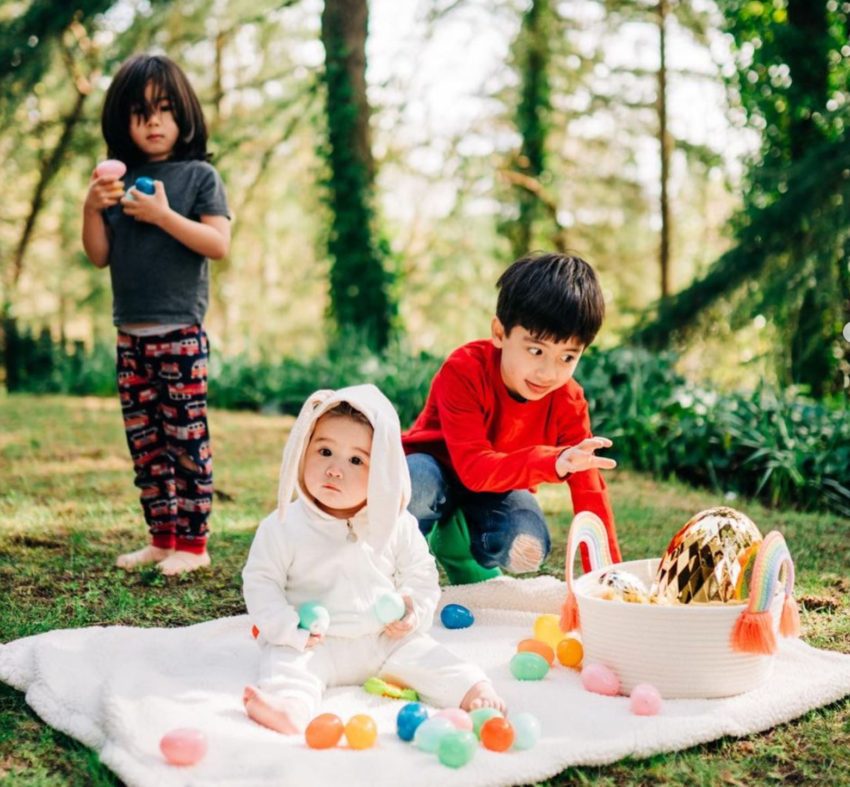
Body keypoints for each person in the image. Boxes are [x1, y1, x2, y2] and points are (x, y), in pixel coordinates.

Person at [242, 385, 504, 734]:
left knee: (430, 656)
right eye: (324, 451)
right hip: (316, 641)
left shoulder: (396, 524)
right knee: (286, 665)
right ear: (301, 452)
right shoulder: (283, 526)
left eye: (356, 460)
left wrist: (412, 611)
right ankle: (289, 707)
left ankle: (473, 688)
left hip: (385, 639)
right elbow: (262, 584)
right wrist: (288, 628)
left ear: (383, 471)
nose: (335, 469)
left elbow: (421, 574)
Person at [81, 54, 231, 575]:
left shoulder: (199, 176)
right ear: (120, 120)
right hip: (130, 337)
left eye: (165, 109)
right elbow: (98, 254)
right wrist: (91, 207)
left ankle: (194, 543)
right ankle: (162, 538)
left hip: (181, 336)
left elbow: (217, 243)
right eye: (140, 111)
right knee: (147, 446)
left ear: (184, 115)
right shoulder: (116, 185)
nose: (153, 121)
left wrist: (165, 215)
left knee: (186, 441)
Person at [403, 251, 621, 578]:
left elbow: (589, 490)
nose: (548, 372)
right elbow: (474, 468)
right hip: (436, 471)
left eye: (567, 357)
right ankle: (395, 567)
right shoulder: (463, 371)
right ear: (500, 333)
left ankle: (457, 546)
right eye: (536, 350)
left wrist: (608, 579)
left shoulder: (569, 399)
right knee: (414, 484)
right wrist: (555, 461)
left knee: (527, 547)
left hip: (500, 487)